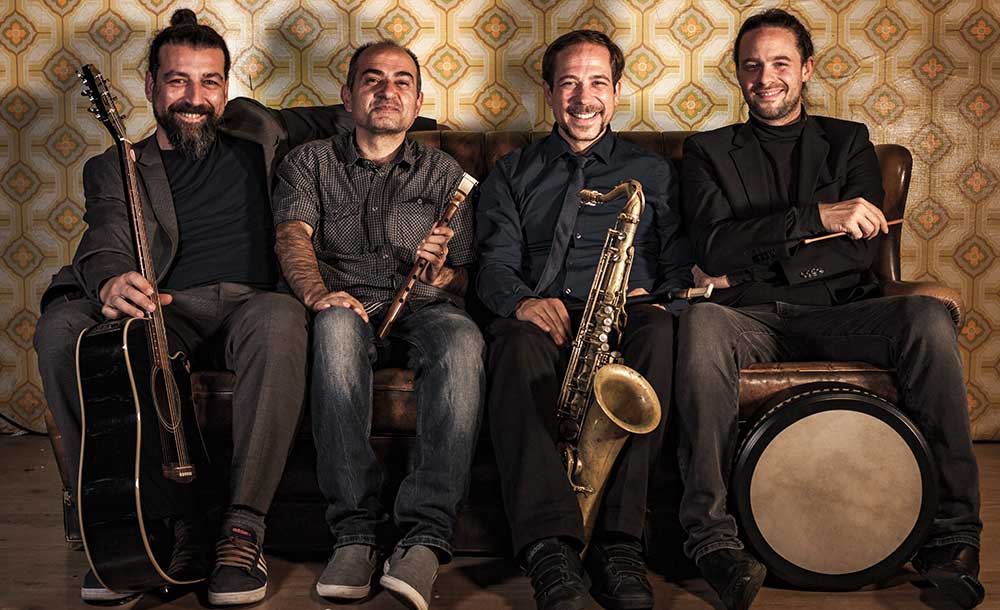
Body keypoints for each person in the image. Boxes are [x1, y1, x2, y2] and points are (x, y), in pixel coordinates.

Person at [33, 9, 346, 605]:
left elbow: (341, 115)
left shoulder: (259, 128)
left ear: (226, 88)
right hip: (166, 307)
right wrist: (110, 280)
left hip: (252, 303)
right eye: (178, 81)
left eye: (209, 82)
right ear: (151, 85)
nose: (195, 98)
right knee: (60, 330)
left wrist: (401, 117)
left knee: (281, 318)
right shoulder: (114, 166)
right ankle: (131, 524)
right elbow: (104, 238)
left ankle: (242, 529)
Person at [674, 8, 984, 610]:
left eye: (780, 63)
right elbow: (712, 247)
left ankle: (953, 539)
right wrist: (817, 217)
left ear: (807, 69)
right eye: (752, 65)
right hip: (747, 320)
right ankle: (712, 541)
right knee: (700, 321)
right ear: (737, 73)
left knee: (927, 317)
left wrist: (750, 264)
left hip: (842, 314)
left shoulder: (849, 141)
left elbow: (858, 253)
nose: (766, 77)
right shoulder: (706, 150)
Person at [475, 30, 692, 610]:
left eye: (597, 82)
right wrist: (522, 301)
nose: (583, 97)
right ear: (549, 92)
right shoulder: (512, 171)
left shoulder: (652, 171)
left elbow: (678, 261)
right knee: (513, 344)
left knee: (659, 332)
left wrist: (659, 297)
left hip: (628, 311)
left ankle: (620, 542)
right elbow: (493, 264)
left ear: (617, 92)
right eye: (568, 83)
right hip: (543, 315)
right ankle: (549, 548)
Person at [271, 40, 484, 610]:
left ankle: (426, 536)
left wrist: (442, 273)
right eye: (372, 79)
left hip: (425, 307)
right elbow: (292, 238)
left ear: (417, 102)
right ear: (347, 96)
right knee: (336, 329)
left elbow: (464, 276)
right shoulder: (309, 162)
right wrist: (319, 295)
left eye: (401, 81)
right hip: (346, 300)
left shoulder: (446, 173)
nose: (387, 90)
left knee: (463, 340)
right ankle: (354, 533)